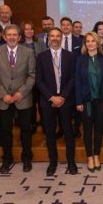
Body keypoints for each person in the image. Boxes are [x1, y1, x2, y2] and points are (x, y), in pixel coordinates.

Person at [0, 24, 36, 174]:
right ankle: (7, 158)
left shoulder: (28, 52)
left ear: (19, 37)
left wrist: (21, 93)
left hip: (23, 99)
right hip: (4, 100)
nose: (12, 37)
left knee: (26, 131)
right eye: (9, 35)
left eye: (15, 35)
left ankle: (27, 158)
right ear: (4, 37)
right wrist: (4, 95)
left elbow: (32, 75)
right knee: (5, 131)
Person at [36, 27, 78, 175]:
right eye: (52, 36)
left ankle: (71, 162)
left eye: (57, 36)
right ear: (48, 38)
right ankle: (52, 162)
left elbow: (73, 78)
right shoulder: (41, 57)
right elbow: (39, 80)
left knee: (68, 132)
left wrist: (63, 96)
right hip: (48, 101)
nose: (55, 38)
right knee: (50, 133)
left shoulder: (70, 56)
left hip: (65, 100)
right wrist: (52, 97)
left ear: (61, 38)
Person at [75, 31, 103, 172]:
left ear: (97, 43)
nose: (90, 43)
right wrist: (78, 101)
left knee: (99, 129)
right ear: (85, 44)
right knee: (87, 130)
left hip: (101, 101)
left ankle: (97, 155)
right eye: (88, 41)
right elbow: (77, 82)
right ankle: (89, 156)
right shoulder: (80, 60)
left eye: (93, 41)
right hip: (86, 102)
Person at [20, 20, 46, 133]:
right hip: (25, 79)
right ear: (22, 31)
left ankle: (45, 124)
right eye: (26, 29)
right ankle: (32, 124)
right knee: (29, 103)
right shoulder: (19, 44)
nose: (29, 31)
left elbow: (45, 58)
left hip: (40, 77)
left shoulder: (40, 42)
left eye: (31, 29)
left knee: (41, 103)